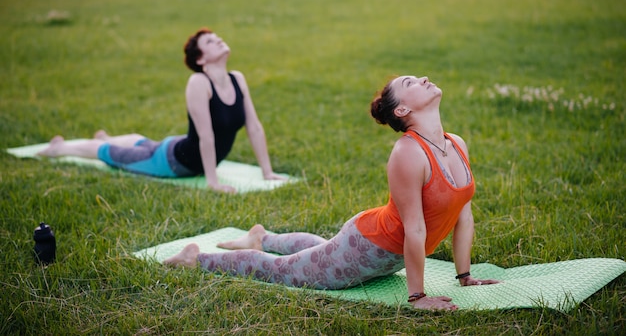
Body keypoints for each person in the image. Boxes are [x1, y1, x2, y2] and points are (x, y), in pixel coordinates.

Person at [164, 75, 499, 310]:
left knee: (321, 252)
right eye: (410, 83)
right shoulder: (408, 153)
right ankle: (198, 259)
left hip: (383, 251)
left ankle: (262, 238)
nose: (423, 78)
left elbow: (463, 214)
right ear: (401, 111)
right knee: (287, 272)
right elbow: (414, 228)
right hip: (367, 248)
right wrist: (417, 297)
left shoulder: (457, 144)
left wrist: (465, 276)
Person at [37, 28, 285, 193]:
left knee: (142, 142)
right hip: (173, 161)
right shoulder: (198, 83)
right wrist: (213, 182)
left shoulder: (237, 78)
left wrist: (268, 171)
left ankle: (108, 137)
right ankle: (61, 148)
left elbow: (254, 127)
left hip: (180, 147)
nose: (218, 39)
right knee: (109, 153)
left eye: (217, 37)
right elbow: (206, 136)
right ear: (200, 60)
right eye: (210, 41)